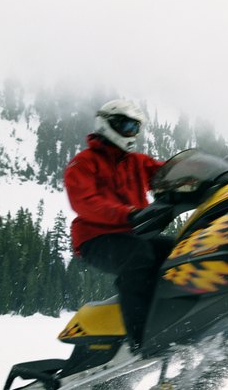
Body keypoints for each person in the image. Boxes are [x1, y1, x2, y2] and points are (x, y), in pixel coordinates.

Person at [64, 99, 174, 349]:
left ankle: (177, 315)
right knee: (138, 258)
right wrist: (128, 214)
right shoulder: (84, 162)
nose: (130, 133)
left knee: (180, 249)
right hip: (95, 239)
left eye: (134, 128)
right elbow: (85, 202)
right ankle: (141, 337)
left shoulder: (137, 162)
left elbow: (167, 174)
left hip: (133, 234)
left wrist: (199, 173)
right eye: (125, 126)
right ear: (107, 124)